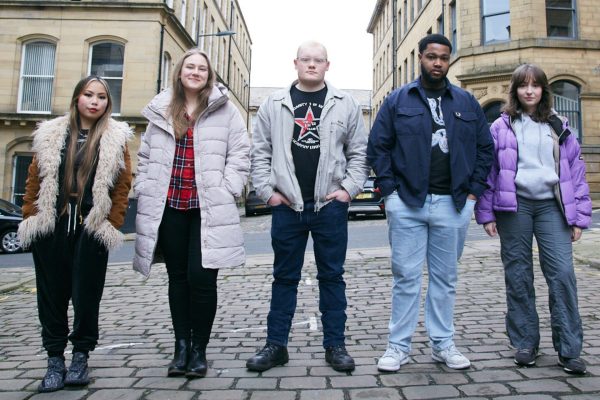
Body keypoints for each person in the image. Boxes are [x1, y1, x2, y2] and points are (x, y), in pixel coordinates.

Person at [367, 34, 494, 372]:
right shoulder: (397, 101)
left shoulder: (467, 103)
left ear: (449, 61)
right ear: (420, 58)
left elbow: (485, 150)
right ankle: (398, 347)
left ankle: (442, 344)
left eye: (443, 57)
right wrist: (389, 192)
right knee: (406, 277)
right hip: (407, 202)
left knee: (445, 279)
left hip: (453, 204)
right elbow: (378, 147)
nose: (437, 62)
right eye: (431, 56)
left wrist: (473, 193)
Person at [246, 40, 369, 372]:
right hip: (287, 206)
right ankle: (276, 346)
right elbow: (260, 152)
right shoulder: (274, 103)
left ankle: (336, 347)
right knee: (284, 277)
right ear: (295, 63)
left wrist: (348, 189)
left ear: (328, 65)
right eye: (306, 59)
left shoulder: (346, 104)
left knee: (332, 277)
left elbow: (359, 152)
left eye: (318, 60)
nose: (312, 64)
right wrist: (268, 192)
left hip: (329, 206)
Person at [133, 48, 250, 379]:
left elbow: (241, 152)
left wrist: (229, 186)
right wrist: (144, 186)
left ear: (209, 74)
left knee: (202, 278)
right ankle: (180, 347)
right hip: (169, 205)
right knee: (178, 278)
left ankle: (199, 350)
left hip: (207, 207)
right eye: (190, 67)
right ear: (180, 72)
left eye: (202, 68)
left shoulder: (225, 110)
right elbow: (145, 156)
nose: (196, 72)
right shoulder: (161, 108)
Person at [18, 76, 133, 393]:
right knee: (51, 298)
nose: (95, 101)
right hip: (51, 227)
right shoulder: (51, 133)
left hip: (90, 228)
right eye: (88, 95)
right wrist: (32, 216)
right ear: (77, 98)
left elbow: (122, 187)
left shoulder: (115, 138)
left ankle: (80, 357)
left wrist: (111, 222)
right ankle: (55, 361)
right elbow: (34, 180)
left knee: (86, 298)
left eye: (101, 97)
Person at [475, 64, 591, 375]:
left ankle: (569, 349)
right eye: (523, 85)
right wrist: (486, 213)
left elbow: (576, 174)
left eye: (535, 85)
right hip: (515, 207)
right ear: (515, 90)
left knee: (563, 274)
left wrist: (579, 216)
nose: (530, 91)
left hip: (552, 207)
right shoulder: (500, 127)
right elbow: (490, 172)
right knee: (518, 275)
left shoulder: (559, 125)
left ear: (543, 90)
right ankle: (525, 342)